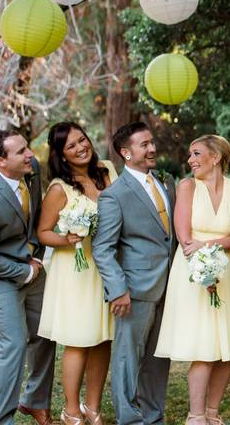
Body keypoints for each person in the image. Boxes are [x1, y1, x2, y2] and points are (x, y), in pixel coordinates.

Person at [155, 135, 230, 424]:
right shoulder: (187, 187)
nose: (191, 160)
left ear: (216, 157)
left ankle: (213, 413)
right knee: (204, 348)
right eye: (190, 155)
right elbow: (186, 239)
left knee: (227, 349)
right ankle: (195, 415)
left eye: (197, 153)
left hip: (224, 271)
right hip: (191, 272)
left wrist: (211, 247)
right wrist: (206, 258)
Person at [0, 129, 56, 425]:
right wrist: (25, 270)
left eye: (27, 148)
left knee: (46, 333)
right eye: (21, 152)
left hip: (30, 264)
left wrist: (35, 257)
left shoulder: (31, 171)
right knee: (13, 343)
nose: (30, 154)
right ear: (1, 161)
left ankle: (35, 401)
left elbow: (36, 216)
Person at [91, 122, 176, 425]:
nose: (152, 148)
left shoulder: (166, 183)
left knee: (158, 357)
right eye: (144, 145)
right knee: (128, 359)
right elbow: (103, 248)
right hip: (134, 290)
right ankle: (129, 419)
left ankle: (153, 417)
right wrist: (118, 289)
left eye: (152, 142)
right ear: (126, 153)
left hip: (170, 286)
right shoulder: (115, 196)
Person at [37, 122, 117, 425]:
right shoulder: (59, 188)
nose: (81, 147)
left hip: (108, 266)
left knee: (103, 338)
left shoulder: (107, 169)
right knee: (79, 340)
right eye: (71, 146)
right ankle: (70, 411)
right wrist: (66, 239)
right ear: (61, 154)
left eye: (82, 140)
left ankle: (92, 407)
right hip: (76, 270)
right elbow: (43, 233)